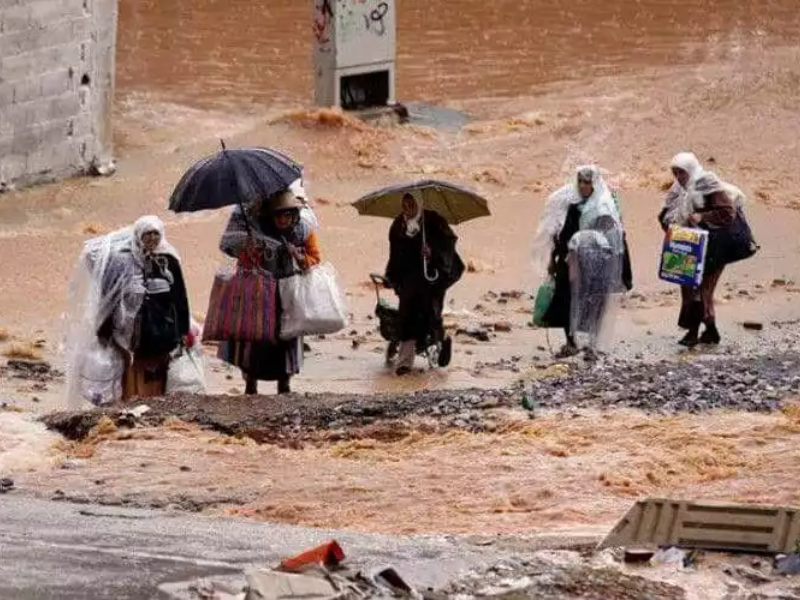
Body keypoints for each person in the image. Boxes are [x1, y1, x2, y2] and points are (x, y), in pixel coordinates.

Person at [64, 216, 191, 404]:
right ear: (139, 235)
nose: (152, 239)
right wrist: (104, 329)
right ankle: (131, 400)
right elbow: (110, 296)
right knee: (130, 367)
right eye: (148, 234)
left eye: (156, 234)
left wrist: (183, 330)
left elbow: (179, 297)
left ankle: (155, 402)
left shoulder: (169, 261)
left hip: (162, 329)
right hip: (132, 331)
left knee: (159, 367)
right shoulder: (123, 261)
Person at [219, 189, 321, 394]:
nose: (283, 220)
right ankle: (251, 383)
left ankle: (284, 382)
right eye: (278, 215)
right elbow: (229, 247)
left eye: (288, 215)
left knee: (286, 338)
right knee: (253, 339)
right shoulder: (249, 222)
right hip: (256, 296)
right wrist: (249, 248)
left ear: (295, 215)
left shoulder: (302, 232)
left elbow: (314, 259)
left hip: (287, 296)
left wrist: (300, 258)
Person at [533, 165, 632, 359]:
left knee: (595, 301)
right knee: (565, 299)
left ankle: (592, 345)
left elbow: (612, 235)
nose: (583, 186)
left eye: (587, 182)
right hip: (569, 260)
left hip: (595, 261)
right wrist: (555, 257)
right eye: (580, 181)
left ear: (594, 183)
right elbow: (561, 232)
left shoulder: (604, 206)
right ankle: (571, 343)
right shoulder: (571, 203)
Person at [659, 152, 744, 347]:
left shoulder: (707, 184)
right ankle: (710, 331)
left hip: (713, 246)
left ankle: (693, 333)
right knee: (688, 288)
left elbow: (727, 212)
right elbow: (666, 213)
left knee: (703, 290)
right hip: (688, 244)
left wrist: (702, 217)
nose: (679, 177)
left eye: (682, 173)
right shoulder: (677, 190)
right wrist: (670, 226)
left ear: (691, 169)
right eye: (675, 173)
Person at [384, 192, 465, 375]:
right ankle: (405, 362)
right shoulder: (398, 225)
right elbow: (395, 253)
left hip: (432, 277)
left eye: (411, 205)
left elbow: (448, 244)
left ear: (418, 204)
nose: (407, 209)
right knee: (407, 315)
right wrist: (392, 276)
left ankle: (441, 341)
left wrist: (432, 252)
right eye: (404, 206)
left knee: (431, 313)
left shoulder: (433, 221)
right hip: (409, 278)